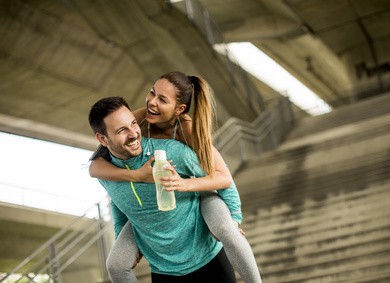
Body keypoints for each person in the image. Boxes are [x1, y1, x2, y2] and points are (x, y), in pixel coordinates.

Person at [89, 72, 262, 283]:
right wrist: (136, 175)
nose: (152, 101)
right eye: (152, 93)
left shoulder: (186, 131)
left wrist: (234, 216)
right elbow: (98, 166)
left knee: (226, 228)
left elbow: (223, 176)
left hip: (200, 188)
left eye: (162, 99)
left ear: (179, 109)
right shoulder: (141, 118)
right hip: (157, 210)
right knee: (114, 264)